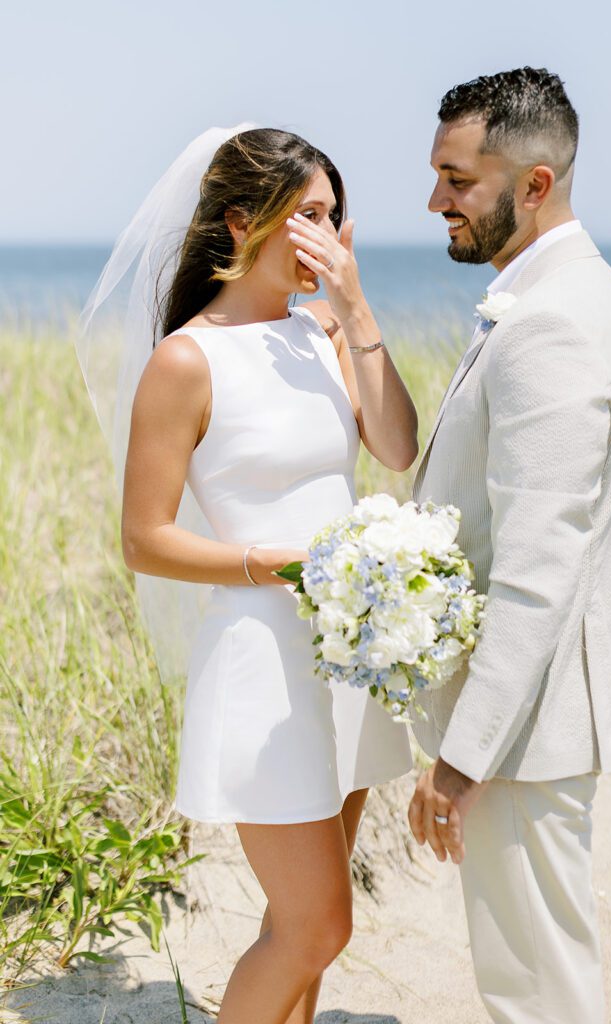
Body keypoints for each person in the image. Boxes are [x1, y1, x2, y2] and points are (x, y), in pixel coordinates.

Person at [81, 126, 417, 1024]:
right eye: (307, 214)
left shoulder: (324, 335)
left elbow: (395, 446)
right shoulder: (186, 360)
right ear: (242, 221)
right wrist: (266, 563)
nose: (326, 235)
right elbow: (143, 540)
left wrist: (357, 315)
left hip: (346, 655)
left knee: (300, 919)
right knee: (316, 929)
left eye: (334, 217)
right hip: (261, 663)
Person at [407, 68, 611, 1023]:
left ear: (535, 184)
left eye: (458, 180)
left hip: (525, 728)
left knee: (535, 990)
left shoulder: (547, 322)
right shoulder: (565, 290)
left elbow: (537, 573)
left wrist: (462, 760)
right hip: (536, 718)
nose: (435, 201)